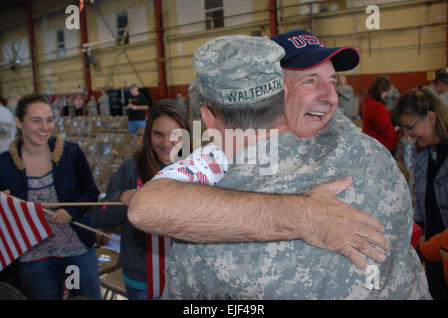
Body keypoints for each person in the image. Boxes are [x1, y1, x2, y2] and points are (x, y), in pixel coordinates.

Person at [129, 33, 430, 299]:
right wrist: (305, 215)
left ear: (208, 118)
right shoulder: (372, 152)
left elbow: (145, 209)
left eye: (332, 81)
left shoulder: (201, 242)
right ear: (281, 93)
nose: (330, 98)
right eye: (310, 80)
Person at [0, 94, 101, 300]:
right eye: (36, 121)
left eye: (49, 120)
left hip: (75, 250)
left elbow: (91, 192)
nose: (44, 127)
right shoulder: (4, 163)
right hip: (34, 256)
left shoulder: (70, 152)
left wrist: (71, 211)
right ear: (19, 122)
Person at [92, 99, 188, 300]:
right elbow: (101, 217)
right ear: (148, 134)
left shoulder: (198, 168)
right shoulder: (131, 168)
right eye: (158, 134)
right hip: (141, 276)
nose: (166, 143)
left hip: (186, 275)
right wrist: (122, 198)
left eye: (175, 135)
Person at [391, 86, 448, 300]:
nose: (408, 135)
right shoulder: (422, 154)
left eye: (410, 127)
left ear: (431, 117)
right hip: (433, 254)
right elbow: (421, 205)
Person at [362, 75, 399, 153]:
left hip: (374, 145)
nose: (387, 94)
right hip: (381, 147)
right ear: (381, 90)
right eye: (386, 91)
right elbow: (387, 131)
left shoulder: (370, 103)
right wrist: (398, 129)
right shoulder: (376, 106)